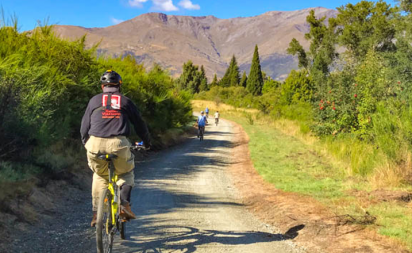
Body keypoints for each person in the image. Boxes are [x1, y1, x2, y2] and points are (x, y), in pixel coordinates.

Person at [80, 70, 151, 227]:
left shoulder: (93, 100)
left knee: (100, 175)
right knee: (126, 172)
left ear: (102, 86)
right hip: (118, 144)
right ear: (119, 86)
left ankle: (96, 215)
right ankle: (124, 205)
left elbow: (84, 126)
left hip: (94, 144)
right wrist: (146, 142)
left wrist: (86, 143)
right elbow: (139, 124)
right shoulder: (125, 101)